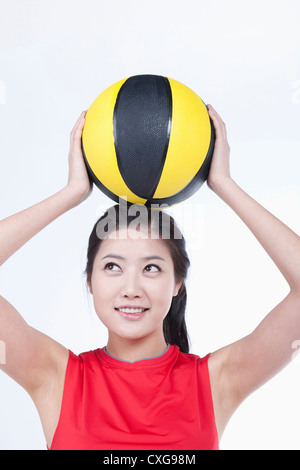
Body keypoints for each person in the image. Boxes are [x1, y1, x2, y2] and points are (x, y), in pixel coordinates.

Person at [0, 106, 300, 450]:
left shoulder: (217, 381)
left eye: (151, 268)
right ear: (89, 281)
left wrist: (224, 184)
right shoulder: (54, 375)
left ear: (177, 283)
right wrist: (70, 194)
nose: (131, 289)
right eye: (113, 266)